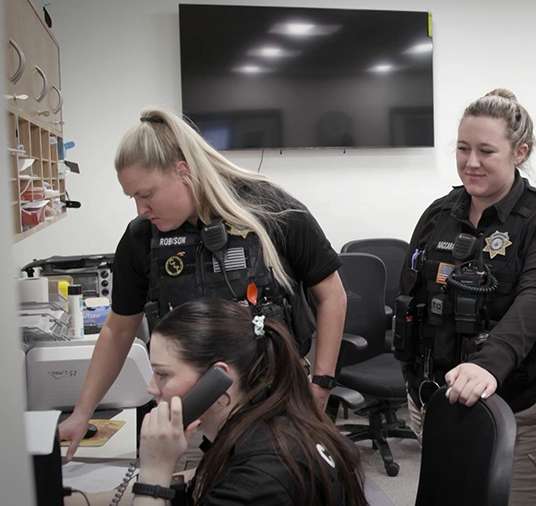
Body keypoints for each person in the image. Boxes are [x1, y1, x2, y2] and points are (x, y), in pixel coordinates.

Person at [59, 109, 347, 458]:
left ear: (183, 171)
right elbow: (118, 330)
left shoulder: (273, 211)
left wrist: (321, 384)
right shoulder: (141, 239)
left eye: (147, 195)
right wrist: (82, 413)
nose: (141, 210)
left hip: (278, 400)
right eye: (133, 197)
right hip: (202, 415)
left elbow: (332, 296)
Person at [395, 89, 536, 505]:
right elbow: (413, 296)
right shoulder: (439, 214)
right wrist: (414, 379)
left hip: (523, 410)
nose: (471, 162)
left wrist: (487, 366)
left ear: (520, 151)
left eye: (486, 151)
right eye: (463, 149)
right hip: (442, 403)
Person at [133, 298, 366, 505]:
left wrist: (154, 473)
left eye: (162, 374)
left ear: (217, 379)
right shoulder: (266, 422)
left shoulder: (260, 476)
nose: (151, 388)